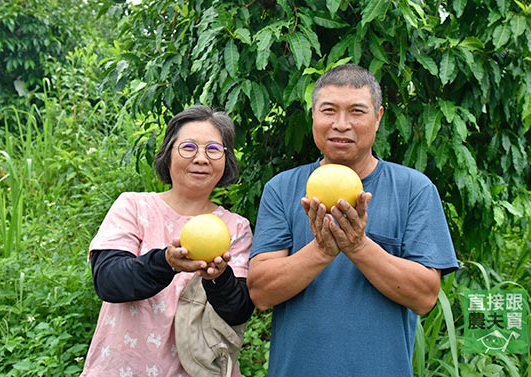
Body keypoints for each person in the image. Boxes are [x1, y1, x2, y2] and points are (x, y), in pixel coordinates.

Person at [247, 64, 459, 376]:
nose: (341, 124)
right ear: (313, 116)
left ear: (379, 118)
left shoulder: (414, 189)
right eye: (329, 110)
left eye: (357, 111)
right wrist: (321, 251)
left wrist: (358, 246)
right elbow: (261, 292)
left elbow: (425, 296)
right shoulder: (282, 189)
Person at [81, 105, 254, 376]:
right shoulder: (133, 206)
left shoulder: (236, 227)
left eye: (213, 149)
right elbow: (109, 281)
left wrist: (218, 277)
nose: (201, 158)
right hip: (122, 368)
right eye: (188, 147)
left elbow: (238, 311)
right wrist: (166, 262)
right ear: (168, 154)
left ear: (226, 160)